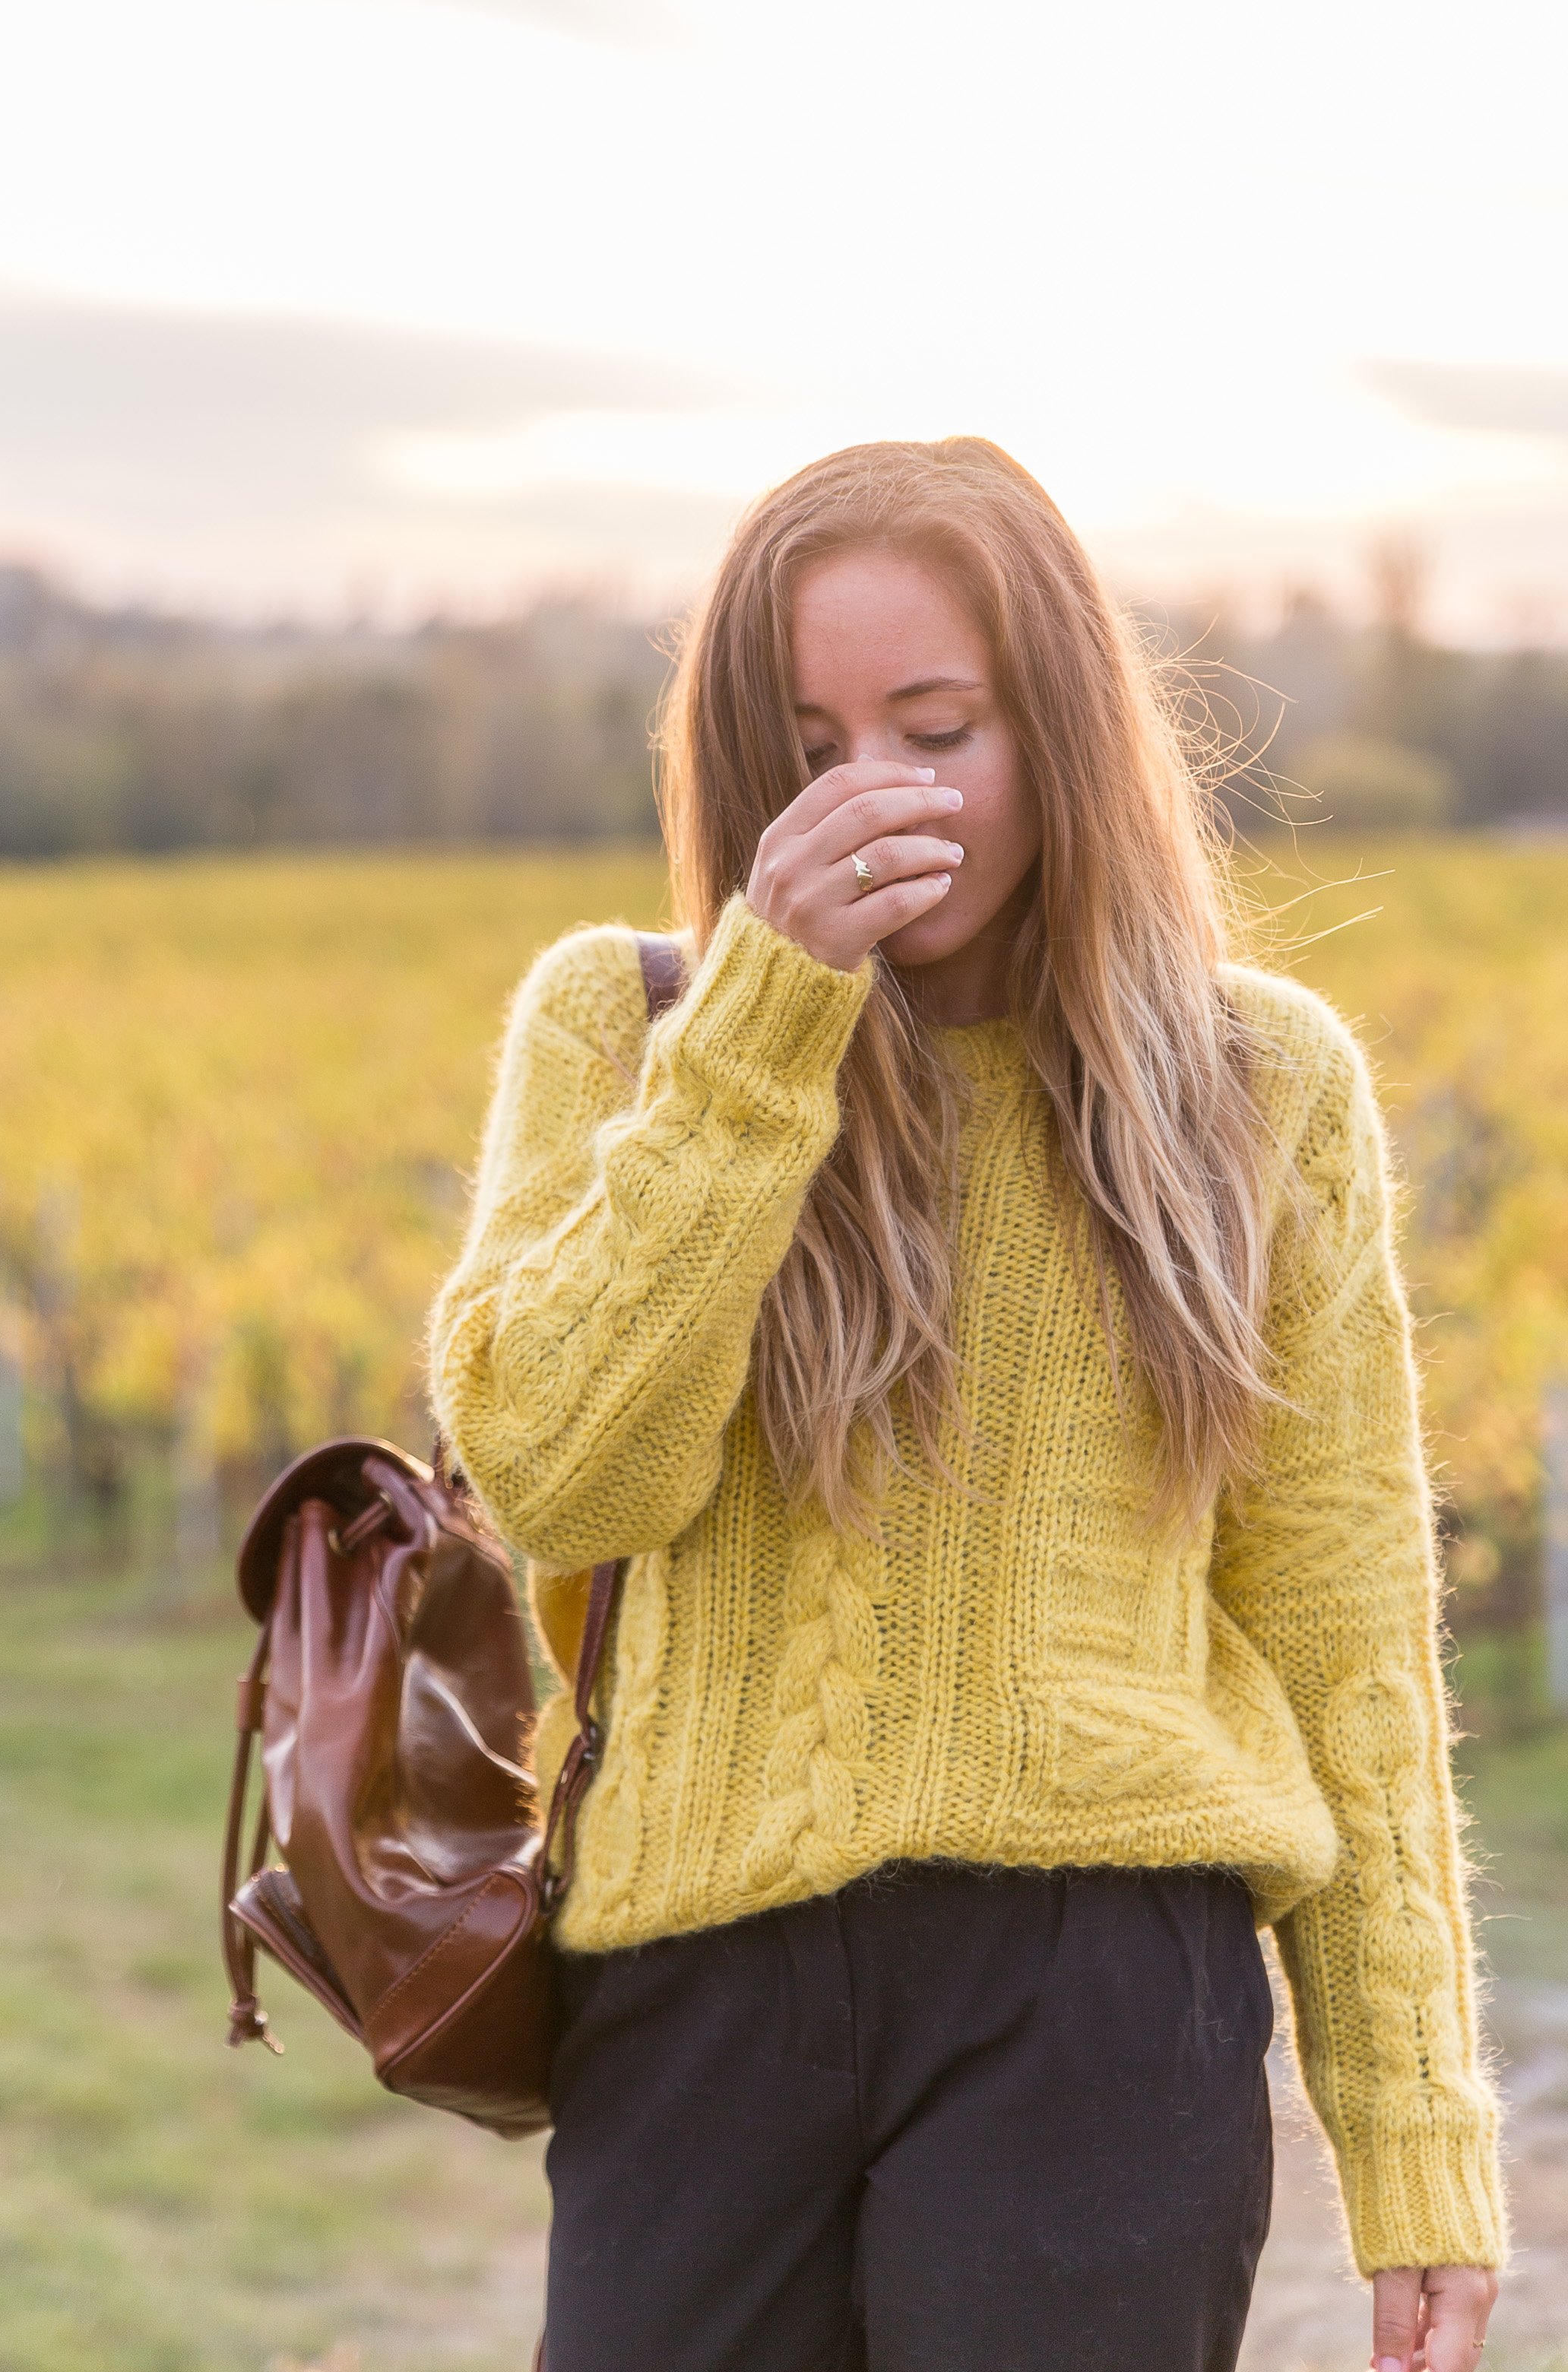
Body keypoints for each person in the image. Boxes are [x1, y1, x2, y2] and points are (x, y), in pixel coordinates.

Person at [428, 437, 1505, 2372]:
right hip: (692, 1996)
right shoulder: (627, 1028)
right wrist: (767, 1024)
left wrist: (1411, 2134)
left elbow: (1347, 1641)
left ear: (1065, 732)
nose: (872, 793)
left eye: (935, 728)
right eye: (813, 742)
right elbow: (563, 1479)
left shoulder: (1260, 1086)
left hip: (1098, 2001)